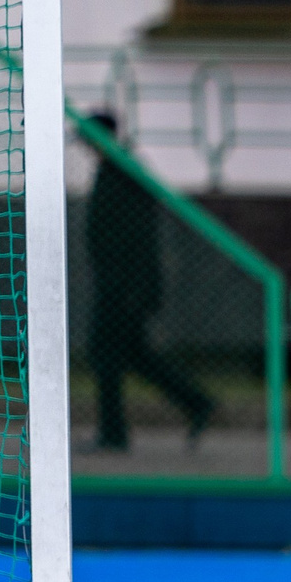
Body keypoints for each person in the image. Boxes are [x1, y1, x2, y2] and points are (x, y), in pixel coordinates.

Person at [82, 111, 212, 450]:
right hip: (120, 285)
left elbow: (135, 237)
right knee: (133, 355)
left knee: (107, 354)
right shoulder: (116, 171)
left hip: (123, 288)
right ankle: (195, 402)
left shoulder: (123, 173)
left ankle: (114, 434)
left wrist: (133, 289)